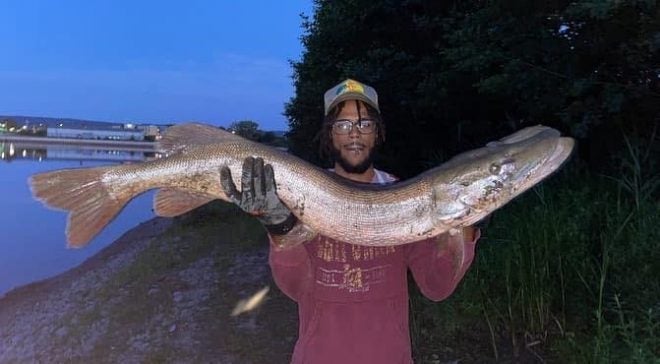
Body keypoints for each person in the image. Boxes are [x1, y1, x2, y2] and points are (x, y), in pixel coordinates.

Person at [220, 79, 479, 364]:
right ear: (329, 135)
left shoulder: (408, 198)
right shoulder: (300, 195)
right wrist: (282, 228)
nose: (354, 134)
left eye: (365, 124)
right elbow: (296, 287)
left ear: (378, 133)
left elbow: (437, 286)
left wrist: (466, 225)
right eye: (342, 125)